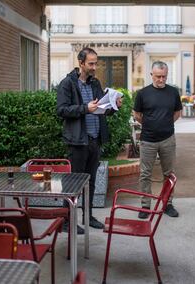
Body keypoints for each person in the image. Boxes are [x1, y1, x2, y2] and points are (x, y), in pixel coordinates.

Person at [57, 47, 122, 231]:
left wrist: (113, 105)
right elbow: (61, 110)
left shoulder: (95, 83)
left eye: (96, 63)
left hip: (94, 140)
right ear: (81, 63)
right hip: (77, 141)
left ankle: (89, 216)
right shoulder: (67, 83)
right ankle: (68, 221)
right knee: (73, 182)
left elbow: (102, 108)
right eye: (91, 63)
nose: (94, 67)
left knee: (91, 182)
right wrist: (85, 108)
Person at [133, 61, 182, 219]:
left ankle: (168, 204)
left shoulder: (173, 92)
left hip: (168, 139)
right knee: (145, 174)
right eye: (158, 77)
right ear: (151, 75)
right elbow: (137, 115)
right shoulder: (142, 93)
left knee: (169, 174)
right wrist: (150, 125)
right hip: (148, 140)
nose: (161, 80)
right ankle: (145, 206)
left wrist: (165, 124)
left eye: (164, 77)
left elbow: (177, 113)